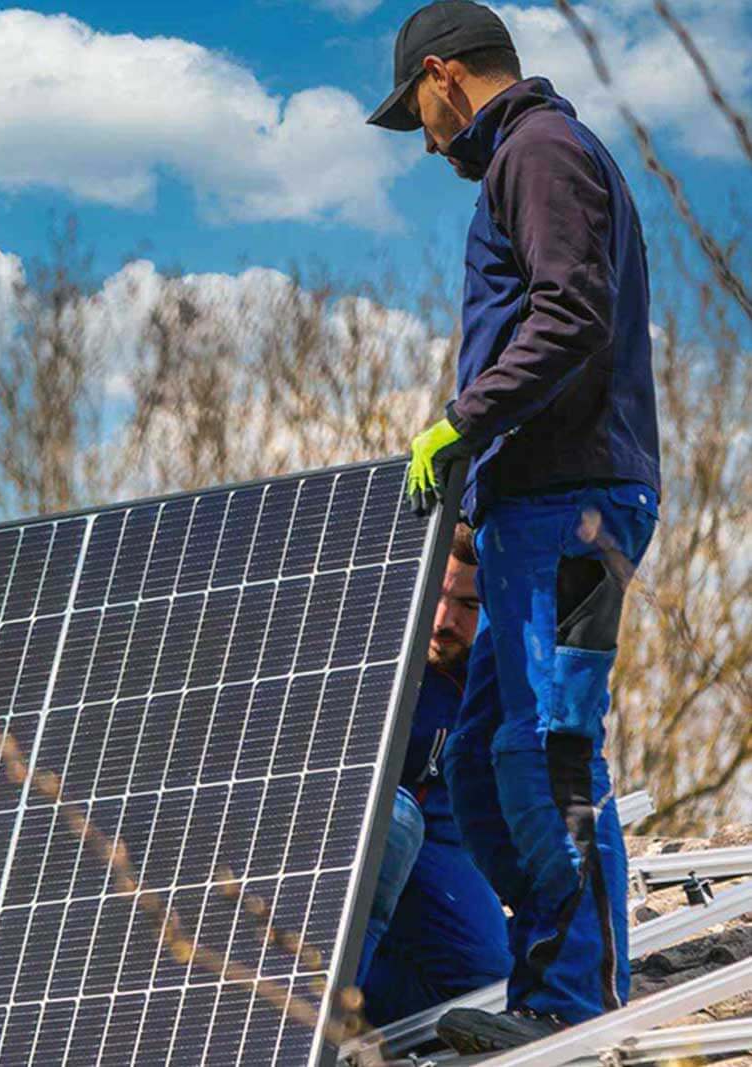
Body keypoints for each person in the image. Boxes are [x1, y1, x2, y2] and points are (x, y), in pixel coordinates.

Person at [367, 0, 660, 1053]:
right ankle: (547, 972)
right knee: (489, 757)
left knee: (550, 750)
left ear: (446, 76)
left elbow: (571, 309)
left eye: (422, 114)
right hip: (526, 512)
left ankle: (581, 1003)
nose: (429, 140)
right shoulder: (521, 161)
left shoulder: (538, 149)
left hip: (575, 508)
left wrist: (465, 416)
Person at [356, 524, 511, 1025]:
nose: (444, 620)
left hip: (438, 847)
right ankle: (317, 1017)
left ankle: (365, 998)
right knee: (393, 821)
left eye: (467, 606)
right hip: (359, 844)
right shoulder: (373, 660)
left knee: (486, 986)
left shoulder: (490, 682)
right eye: (437, 597)